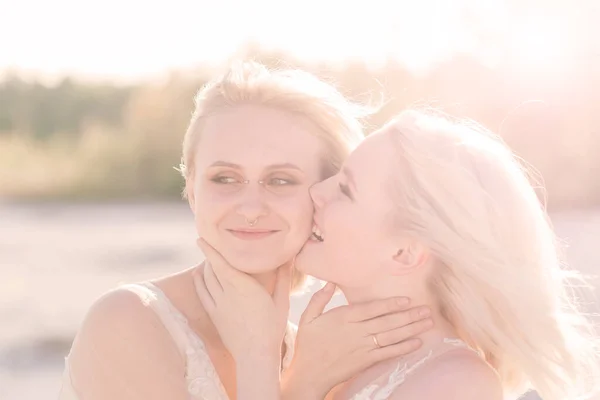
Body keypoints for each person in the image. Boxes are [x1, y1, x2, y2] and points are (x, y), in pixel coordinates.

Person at [58, 63, 433, 400]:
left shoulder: (318, 355)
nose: (251, 207)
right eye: (225, 178)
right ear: (191, 189)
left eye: (281, 180)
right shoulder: (128, 321)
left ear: (323, 196)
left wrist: (300, 379)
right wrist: (262, 363)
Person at [197, 109, 599, 400]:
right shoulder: (338, 359)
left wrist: (256, 357)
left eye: (346, 190)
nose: (316, 192)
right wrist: (302, 381)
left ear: (405, 252)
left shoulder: (456, 385)